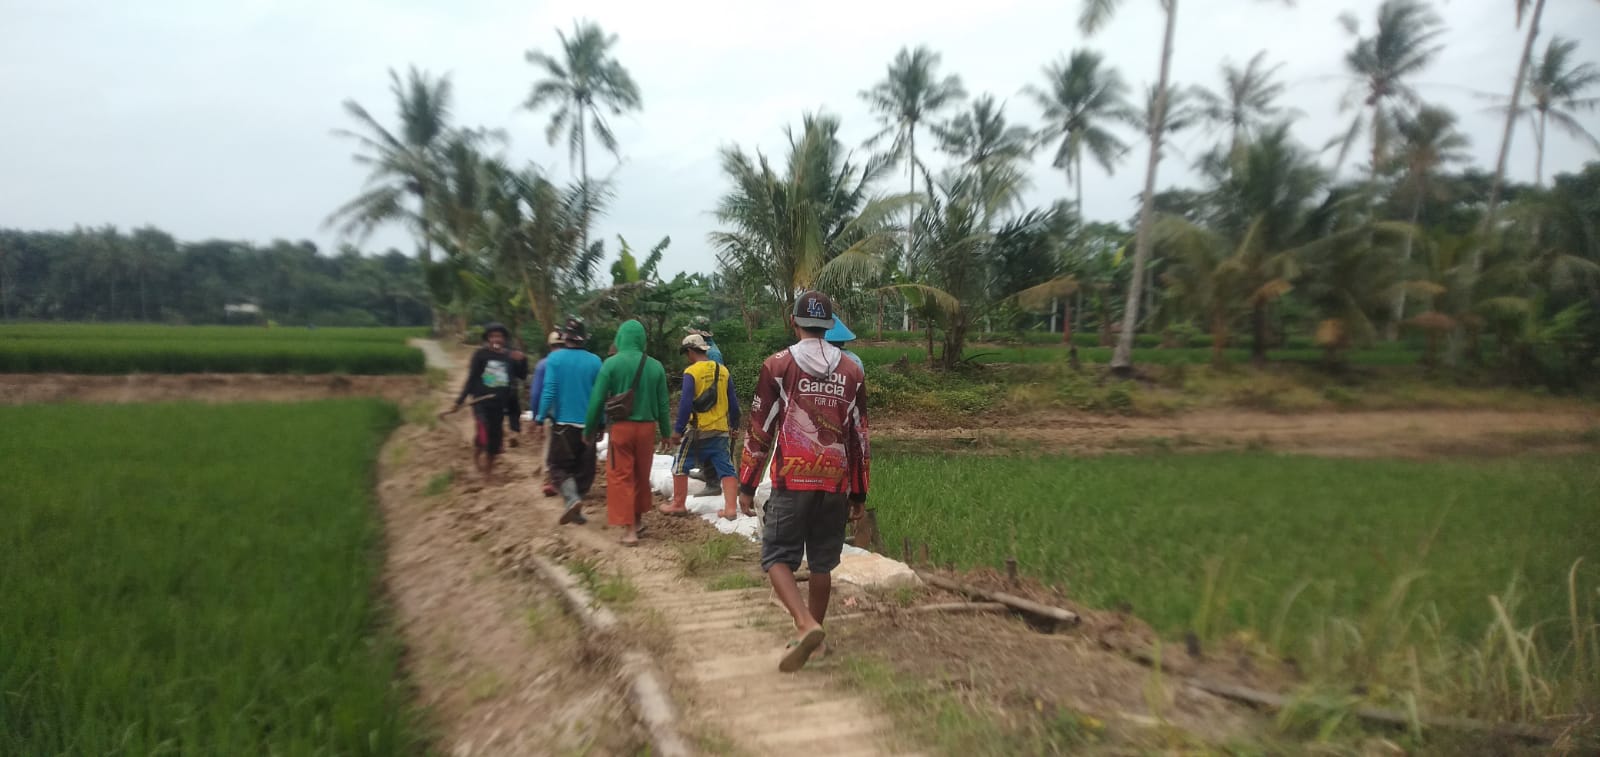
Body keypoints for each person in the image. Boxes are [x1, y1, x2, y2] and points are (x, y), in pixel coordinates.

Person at [737, 291, 870, 673]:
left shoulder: (777, 366)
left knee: (776, 556)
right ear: (829, 326)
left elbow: (760, 429)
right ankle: (816, 642)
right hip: (835, 482)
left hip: (792, 477)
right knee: (822, 563)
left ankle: (805, 623)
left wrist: (747, 483)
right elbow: (860, 435)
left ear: (793, 323)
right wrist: (859, 490)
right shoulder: (852, 371)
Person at [585, 320, 670, 546]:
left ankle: (629, 531)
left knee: (621, 476)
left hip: (621, 428)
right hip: (647, 429)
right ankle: (639, 521)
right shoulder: (655, 366)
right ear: (642, 339)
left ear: (621, 338)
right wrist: (667, 434)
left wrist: (589, 428)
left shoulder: (611, 364)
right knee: (642, 474)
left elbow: (596, 401)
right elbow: (663, 404)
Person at [666, 334, 741, 519]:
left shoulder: (692, 372)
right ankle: (731, 509)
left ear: (690, 351)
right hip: (721, 431)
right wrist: (734, 425)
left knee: (680, 465)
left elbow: (685, 404)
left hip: (698, 432)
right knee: (727, 469)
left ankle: (678, 504)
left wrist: (678, 430)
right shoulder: (723, 371)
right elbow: (734, 404)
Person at [537, 318, 602, 525]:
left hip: (563, 425)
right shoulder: (595, 361)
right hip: (588, 426)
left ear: (565, 337)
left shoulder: (555, 359)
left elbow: (549, 391)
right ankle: (576, 507)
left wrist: (540, 417)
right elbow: (599, 395)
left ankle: (572, 500)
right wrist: (601, 422)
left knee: (558, 466)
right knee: (584, 468)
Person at [454, 322, 528, 484]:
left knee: (495, 439)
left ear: (504, 339)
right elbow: (472, 378)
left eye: (499, 336)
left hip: (499, 405)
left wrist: (523, 360)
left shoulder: (510, 357)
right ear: (488, 339)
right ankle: (476, 458)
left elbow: (522, 376)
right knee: (484, 430)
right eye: (493, 336)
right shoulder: (480, 355)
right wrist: (459, 400)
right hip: (480, 401)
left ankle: (488, 472)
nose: (496, 339)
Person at [529, 330, 565, 497]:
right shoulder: (571, 363)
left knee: (550, 445)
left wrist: (537, 417)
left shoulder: (544, 364)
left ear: (549, 346)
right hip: (571, 415)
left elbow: (536, 392)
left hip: (551, 414)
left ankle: (548, 479)